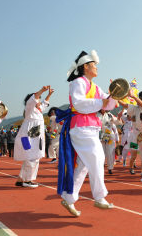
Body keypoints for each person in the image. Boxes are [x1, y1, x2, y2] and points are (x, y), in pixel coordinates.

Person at [57, 50, 116, 217]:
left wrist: (115, 95)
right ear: (85, 66)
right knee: (97, 157)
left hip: (91, 128)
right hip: (81, 127)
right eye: (94, 65)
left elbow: (109, 104)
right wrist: (101, 102)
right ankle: (99, 196)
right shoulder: (78, 83)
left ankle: (69, 198)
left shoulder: (96, 87)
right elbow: (79, 103)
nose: (97, 68)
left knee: (84, 166)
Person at [14, 86, 54, 188]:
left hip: (37, 138)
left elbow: (45, 103)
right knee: (32, 157)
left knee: (33, 157)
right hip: (27, 137)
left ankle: (21, 179)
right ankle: (28, 180)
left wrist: (49, 94)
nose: (39, 101)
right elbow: (34, 98)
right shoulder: (29, 108)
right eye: (38, 100)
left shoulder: (38, 110)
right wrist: (42, 91)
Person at [98, 109, 120, 174]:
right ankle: (100, 168)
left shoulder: (110, 115)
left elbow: (118, 122)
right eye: (102, 108)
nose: (103, 109)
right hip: (100, 136)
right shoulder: (96, 115)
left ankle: (110, 168)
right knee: (101, 153)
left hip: (110, 136)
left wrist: (119, 117)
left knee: (110, 153)